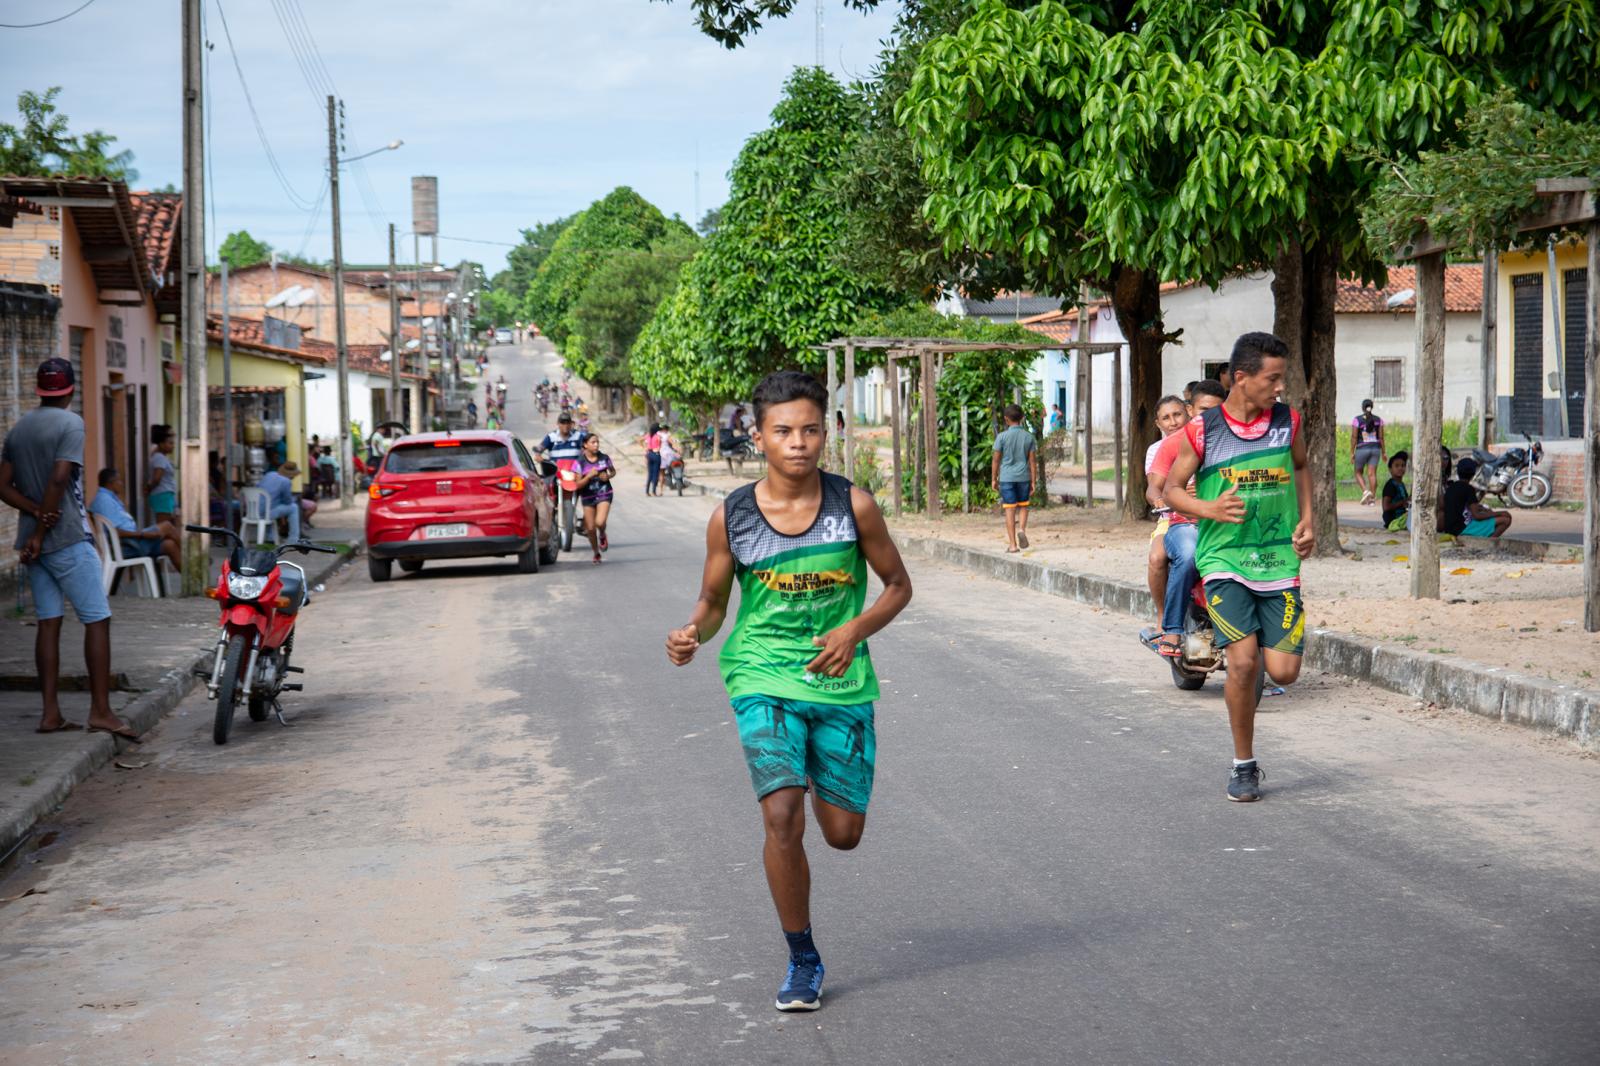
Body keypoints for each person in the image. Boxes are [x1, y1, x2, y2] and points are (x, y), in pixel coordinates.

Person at [665, 369, 913, 1013]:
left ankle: (819, 786)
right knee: (781, 816)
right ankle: (802, 958)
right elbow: (715, 602)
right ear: (759, 436)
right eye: (782, 431)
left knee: (843, 834)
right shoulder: (733, 517)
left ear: (826, 432)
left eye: (809, 430)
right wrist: (694, 630)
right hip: (761, 675)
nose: (797, 443)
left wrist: (854, 630)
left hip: (840, 682)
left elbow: (897, 586)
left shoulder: (855, 506)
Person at [1163, 333, 1314, 803]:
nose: (1279, 388)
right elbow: (1172, 490)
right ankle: (1243, 765)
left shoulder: (1288, 421)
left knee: (1284, 672)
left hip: (1277, 558)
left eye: (1282, 379)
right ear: (1243, 378)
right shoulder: (1204, 429)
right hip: (1225, 560)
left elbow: (1302, 467)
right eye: (1272, 379)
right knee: (1244, 663)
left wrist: (1308, 519)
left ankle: (1255, 654)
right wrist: (1209, 509)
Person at [0, 359, 138, 740]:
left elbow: (3, 485)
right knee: (97, 619)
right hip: (67, 538)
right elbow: (61, 477)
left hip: (34, 541)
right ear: (72, 390)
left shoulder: (19, 429)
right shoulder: (71, 424)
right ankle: (101, 712)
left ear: (39, 390)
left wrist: (33, 517)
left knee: (49, 621)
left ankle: (50, 713)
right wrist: (44, 527)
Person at [1144, 381, 1226, 656]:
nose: (1209, 418)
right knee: (1187, 556)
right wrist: (1160, 499)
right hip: (1184, 521)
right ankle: (1172, 628)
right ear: (1192, 410)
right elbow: (1156, 486)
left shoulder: (1238, 439)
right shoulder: (1174, 444)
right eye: (1203, 410)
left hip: (1229, 523)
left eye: (1216, 411)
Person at [1142, 393, 1196, 642]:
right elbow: (1154, 486)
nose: (1173, 421)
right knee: (1156, 557)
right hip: (1173, 516)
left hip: (1210, 514)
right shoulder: (1157, 450)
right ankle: (1165, 618)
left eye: (1177, 414)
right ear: (1158, 424)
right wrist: (1162, 499)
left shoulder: (1205, 440)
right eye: (1166, 417)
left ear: (1188, 412)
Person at [90, 467, 182, 573]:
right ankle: (190, 557)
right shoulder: (104, 500)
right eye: (119, 481)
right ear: (111, 483)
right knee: (167, 526)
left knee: (169, 545)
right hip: (128, 545)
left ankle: (190, 582)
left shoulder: (107, 498)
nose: (121, 484)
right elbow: (116, 531)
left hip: (130, 543)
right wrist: (142, 534)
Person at [990, 403, 1037, 553]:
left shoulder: (1001, 437)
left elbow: (996, 460)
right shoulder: (1029, 437)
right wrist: (1033, 481)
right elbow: (1032, 462)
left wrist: (994, 479)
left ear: (1006, 419)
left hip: (1007, 478)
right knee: (1023, 506)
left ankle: (1013, 545)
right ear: (1022, 418)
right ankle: (1022, 529)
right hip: (1023, 477)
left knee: (1010, 510)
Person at [572, 433, 615, 563]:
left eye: (597, 442)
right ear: (585, 445)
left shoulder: (604, 458)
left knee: (600, 522)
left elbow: (613, 471)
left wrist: (608, 476)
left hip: (604, 493)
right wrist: (588, 476)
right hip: (588, 496)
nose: (596, 444)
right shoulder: (579, 462)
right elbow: (577, 484)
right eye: (593, 442)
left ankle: (602, 534)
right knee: (590, 528)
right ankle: (596, 552)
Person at [1443, 458, 1512, 538]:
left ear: (1458, 472)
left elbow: (1464, 506)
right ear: (1473, 474)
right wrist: (1500, 513)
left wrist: (1482, 508)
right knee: (1506, 520)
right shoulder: (1469, 489)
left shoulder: (1452, 487)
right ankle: (1489, 542)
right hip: (1462, 529)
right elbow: (1477, 516)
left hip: (1450, 528)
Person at [1351, 399, 1386, 506]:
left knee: (1357, 472)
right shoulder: (1379, 420)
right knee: (1372, 474)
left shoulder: (1357, 420)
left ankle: (1365, 491)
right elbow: (1381, 437)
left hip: (1362, 449)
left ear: (1363, 407)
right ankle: (1372, 500)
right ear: (1372, 407)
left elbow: (1354, 437)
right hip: (1375, 449)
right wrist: (1384, 452)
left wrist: (1352, 452)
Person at [260, 461, 302, 544]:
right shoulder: (286, 481)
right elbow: (287, 501)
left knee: (271, 505)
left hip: (253, 511)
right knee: (294, 507)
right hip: (267, 513)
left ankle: (270, 537)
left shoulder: (269, 474)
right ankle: (293, 539)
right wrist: (294, 498)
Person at [147, 423, 178, 524]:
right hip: (162, 495)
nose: (173, 446)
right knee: (163, 525)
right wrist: (149, 488)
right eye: (170, 443)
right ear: (161, 444)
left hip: (166, 495)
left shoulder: (161, 457)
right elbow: (157, 478)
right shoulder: (159, 458)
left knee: (170, 523)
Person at [1380, 451, 1411, 530]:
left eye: (1403, 465)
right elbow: (1386, 507)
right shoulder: (1390, 485)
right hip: (1394, 519)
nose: (1400, 468)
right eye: (1397, 466)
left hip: (1402, 517)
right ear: (1390, 469)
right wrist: (1403, 502)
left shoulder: (1401, 484)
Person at [640, 422, 663, 496]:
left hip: (649, 454)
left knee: (650, 474)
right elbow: (659, 446)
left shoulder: (648, 435)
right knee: (656, 474)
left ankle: (647, 491)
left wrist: (645, 448)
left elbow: (640, 440)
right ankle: (653, 491)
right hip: (656, 454)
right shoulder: (658, 436)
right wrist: (657, 448)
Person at [658, 425, 679, 493]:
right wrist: (677, 449)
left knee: (661, 472)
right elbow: (673, 443)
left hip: (659, 453)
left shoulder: (658, 434)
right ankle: (674, 479)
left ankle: (661, 488)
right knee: (673, 466)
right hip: (667, 454)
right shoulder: (667, 435)